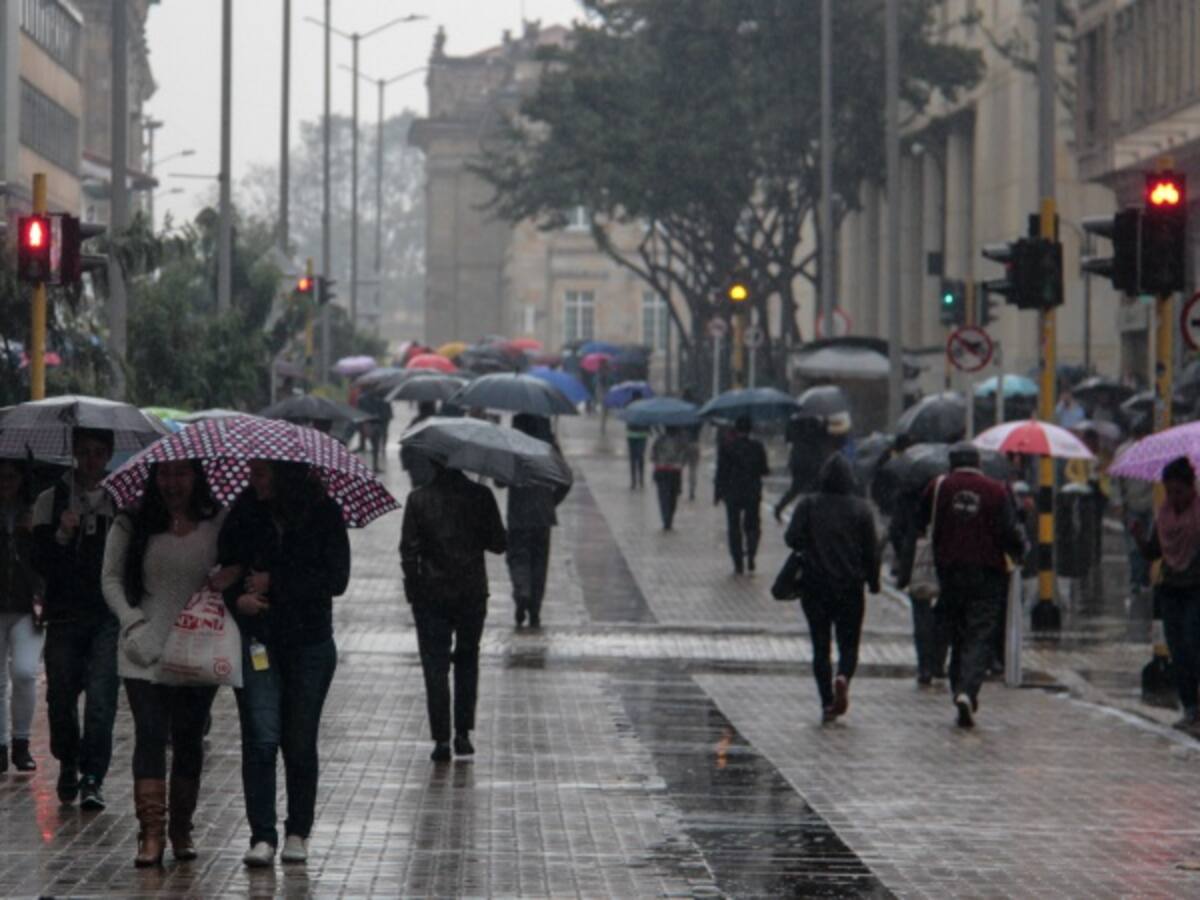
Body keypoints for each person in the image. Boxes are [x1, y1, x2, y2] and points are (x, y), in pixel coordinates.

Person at [102, 460, 234, 867]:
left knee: (190, 739)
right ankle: (151, 833)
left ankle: (181, 828)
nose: (172, 483)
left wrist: (229, 575)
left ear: (196, 477)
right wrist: (132, 622)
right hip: (144, 648)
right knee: (150, 733)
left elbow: (237, 564)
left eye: (181, 473)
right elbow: (109, 578)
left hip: (198, 647)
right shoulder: (132, 521)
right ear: (153, 477)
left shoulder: (219, 521)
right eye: (164, 474)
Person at [219, 460, 350, 867]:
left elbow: (336, 579)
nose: (252, 479)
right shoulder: (243, 512)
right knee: (260, 738)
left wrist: (276, 581)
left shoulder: (323, 513)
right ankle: (262, 835)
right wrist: (237, 600)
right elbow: (226, 572)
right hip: (259, 641)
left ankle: (298, 831)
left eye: (260, 472)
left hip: (309, 643)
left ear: (283, 475)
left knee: (299, 739)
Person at [31, 427, 120, 809]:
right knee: (61, 696)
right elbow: (40, 563)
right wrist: (62, 534)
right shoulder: (50, 502)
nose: (91, 460)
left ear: (109, 455)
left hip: (107, 616)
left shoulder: (120, 503)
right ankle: (68, 760)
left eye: (99, 453)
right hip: (65, 616)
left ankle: (93, 776)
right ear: (74, 453)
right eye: (84, 452)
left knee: (101, 700)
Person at [400, 461, 506, 763]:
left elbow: (408, 549)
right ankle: (463, 733)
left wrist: (413, 589)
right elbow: (499, 543)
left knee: (435, 667)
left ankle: (441, 739)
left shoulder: (418, 499)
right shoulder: (481, 496)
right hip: (471, 593)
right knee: (467, 659)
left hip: (431, 595)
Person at [917, 443, 1025, 728]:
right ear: (978, 463)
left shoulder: (938, 487)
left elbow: (919, 522)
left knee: (956, 634)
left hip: (948, 574)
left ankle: (958, 691)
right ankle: (968, 690)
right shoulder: (997, 490)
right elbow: (1009, 532)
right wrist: (1019, 552)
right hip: (987, 576)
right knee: (980, 635)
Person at [786, 455, 879, 722]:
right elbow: (871, 552)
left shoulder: (809, 505)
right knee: (849, 643)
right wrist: (873, 582)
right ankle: (843, 676)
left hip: (814, 586)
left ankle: (827, 700)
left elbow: (791, 538)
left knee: (820, 645)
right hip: (850, 587)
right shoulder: (861, 510)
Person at [1131, 456, 1200, 731]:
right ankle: (1191, 709)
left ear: (1191, 487)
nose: (1174, 498)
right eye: (1170, 492)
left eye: (1179, 492)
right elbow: (1153, 552)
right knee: (1179, 651)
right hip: (1171, 591)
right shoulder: (1164, 514)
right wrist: (1137, 537)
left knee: (1194, 645)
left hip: (1196, 590)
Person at [505, 414, 570, 628]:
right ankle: (535, 611)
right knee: (539, 564)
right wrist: (551, 501)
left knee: (517, 557)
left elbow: (499, 480)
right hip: (543, 516)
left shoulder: (514, 447)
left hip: (518, 516)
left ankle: (521, 589)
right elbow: (566, 479)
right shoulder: (548, 447)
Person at [0, 460, 45, 773]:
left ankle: (21, 742)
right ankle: (1, 747)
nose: (6, 482)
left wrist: (35, 534)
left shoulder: (37, 510)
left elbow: (51, 557)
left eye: (12, 476)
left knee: (26, 672)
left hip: (28, 605)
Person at [714, 415, 769, 574]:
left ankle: (738, 562)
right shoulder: (757, 447)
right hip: (752, 491)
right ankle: (751, 554)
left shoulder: (726, 447)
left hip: (732, 492)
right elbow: (764, 469)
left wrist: (718, 493)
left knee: (733, 527)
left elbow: (721, 472)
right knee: (752, 524)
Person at [1112, 419, 1155, 611]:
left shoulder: (1153, 449)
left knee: (1143, 546)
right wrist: (1119, 502)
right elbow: (1115, 480)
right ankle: (1138, 582)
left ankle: (1141, 580)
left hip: (1147, 505)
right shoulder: (1125, 452)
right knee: (1136, 546)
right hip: (1135, 506)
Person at [775, 416, 829, 521]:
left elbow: (788, 439)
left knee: (795, 489)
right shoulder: (816, 423)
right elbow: (823, 437)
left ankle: (780, 507)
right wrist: (824, 425)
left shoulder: (794, 423)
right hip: (813, 460)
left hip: (798, 460)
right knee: (815, 488)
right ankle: (814, 515)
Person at [650, 426, 689, 530]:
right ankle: (669, 518)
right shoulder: (681, 441)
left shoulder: (659, 440)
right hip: (675, 472)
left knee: (663, 496)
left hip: (661, 470)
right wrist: (679, 463)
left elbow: (653, 456)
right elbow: (684, 456)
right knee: (673, 496)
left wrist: (659, 461)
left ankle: (666, 518)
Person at [400, 401, 438, 489]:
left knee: (418, 494)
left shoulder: (415, 423)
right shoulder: (437, 423)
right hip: (433, 468)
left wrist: (406, 464)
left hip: (416, 467)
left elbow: (405, 444)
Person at [625, 390, 648, 489]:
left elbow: (626, 418)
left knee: (633, 458)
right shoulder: (645, 406)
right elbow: (647, 419)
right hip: (642, 435)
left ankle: (633, 481)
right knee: (640, 457)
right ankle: (641, 480)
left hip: (631, 435)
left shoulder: (629, 405)